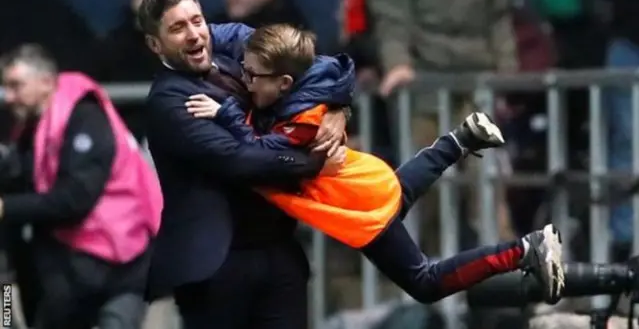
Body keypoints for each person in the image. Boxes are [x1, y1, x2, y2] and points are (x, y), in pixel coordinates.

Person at [184, 23, 566, 304]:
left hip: (357, 207)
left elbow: (258, 154)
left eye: (253, 75)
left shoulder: (303, 122)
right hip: (363, 182)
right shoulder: (295, 77)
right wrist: (201, 36)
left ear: (285, 82)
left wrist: (225, 112)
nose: (245, 80)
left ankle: (525, 249)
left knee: (426, 283)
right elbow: (239, 37)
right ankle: (461, 139)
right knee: (400, 191)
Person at [138, 0, 350, 329]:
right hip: (218, 268)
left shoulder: (231, 47)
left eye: (197, 21)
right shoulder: (170, 101)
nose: (194, 34)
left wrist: (338, 107)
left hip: (279, 252)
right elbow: (239, 160)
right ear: (155, 45)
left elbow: (310, 61)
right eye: (178, 28)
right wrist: (313, 163)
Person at [0, 44, 163, 329]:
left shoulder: (85, 118)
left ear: (45, 82)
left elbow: (74, 199)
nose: (9, 97)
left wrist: (5, 208)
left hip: (117, 259)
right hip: (69, 259)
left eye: (16, 86)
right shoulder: (32, 127)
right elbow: (19, 179)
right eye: (6, 87)